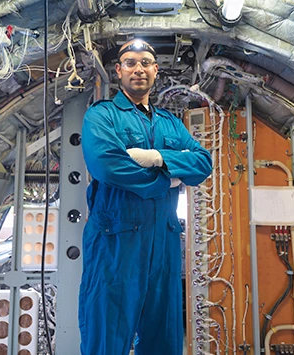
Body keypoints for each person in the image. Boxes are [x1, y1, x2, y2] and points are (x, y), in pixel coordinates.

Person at [79, 39, 212, 355]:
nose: (138, 69)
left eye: (145, 63)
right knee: (105, 336)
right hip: (115, 245)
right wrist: (168, 179)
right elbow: (107, 166)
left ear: (155, 70)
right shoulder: (103, 116)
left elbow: (202, 162)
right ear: (119, 70)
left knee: (163, 338)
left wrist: (156, 157)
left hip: (163, 246)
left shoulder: (169, 123)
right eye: (130, 63)